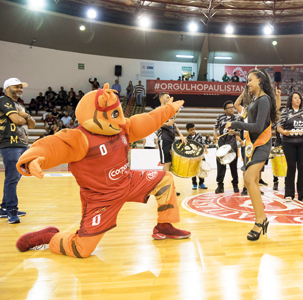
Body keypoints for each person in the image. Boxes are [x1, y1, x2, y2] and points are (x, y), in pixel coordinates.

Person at [15, 83, 190, 258]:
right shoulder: (79, 138)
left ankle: (165, 227)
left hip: (128, 182)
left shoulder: (122, 128)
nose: (120, 119)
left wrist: (167, 110)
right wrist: (33, 157)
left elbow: (149, 120)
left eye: (119, 112)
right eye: (115, 114)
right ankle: (49, 237)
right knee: (81, 249)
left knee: (165, 179)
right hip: (101, 198)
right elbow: (53, 146)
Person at [225, 69, 278, 241]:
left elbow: (258, 126)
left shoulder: (264, 99)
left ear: (260, 81)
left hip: (262, 144)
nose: (247, 83)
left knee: (249, 180)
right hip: (253, 145)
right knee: (251, 181)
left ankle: (260, 220)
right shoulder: (256, 99)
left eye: (250, 80)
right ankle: (261, 219)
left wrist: (234, 123)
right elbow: (242, 109)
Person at [0, 78, 36, 223]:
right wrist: (23, 117)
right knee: (12, 178)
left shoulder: (19, 105)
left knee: (14, 178)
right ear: (7, 88)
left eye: (21, 87)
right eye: (17, 86)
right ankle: (11, 211)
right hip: (10, 144)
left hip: (21, 144)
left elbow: (31, 124)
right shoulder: (4, 100)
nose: (20, 89)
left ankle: (3, 208)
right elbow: (17, 120)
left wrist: (26, 115)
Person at [278, 92, 303, 202]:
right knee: (291, 167)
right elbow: (279, 127)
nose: (297, 99)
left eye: (299, 98)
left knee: (302, 167)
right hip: (289, 143)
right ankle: (289, 194)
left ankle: (302, 194)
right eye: (295, 98)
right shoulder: (285, 112)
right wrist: (284, 132)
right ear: (290, 100)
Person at [157, 92, 187, 196]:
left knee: (169, 164)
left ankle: (165, 187)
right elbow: (155, 124)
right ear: (162, 100)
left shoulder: (170, 112)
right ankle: (167, 188)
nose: (170, 99)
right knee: (167, 163)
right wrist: (166, 124)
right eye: (167, 97)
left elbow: (174, 124)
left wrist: (181, 135)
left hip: (171, 139)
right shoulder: (159, 110)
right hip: (163, 139)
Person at [214, 100, 242, 194]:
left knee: (233, 166)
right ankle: (220, 185)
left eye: (232, 107)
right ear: (225, 109)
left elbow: (240, 131)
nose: (232, 109)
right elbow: (215, 126)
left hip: (232, 144)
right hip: (221, 143)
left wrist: (234, 133)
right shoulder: (220, 117)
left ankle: (235, 184)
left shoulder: (237, 118)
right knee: (220, 165)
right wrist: (215, 135)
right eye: (229, 107)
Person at [186, 123, 208, 190]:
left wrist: (206, 149)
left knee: (202, 169)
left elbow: (203, 143)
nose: (193, 131)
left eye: (194, 129)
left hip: (201, 156)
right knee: (193, 170)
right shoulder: (187, 138)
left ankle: (201, 183)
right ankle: (194, 184)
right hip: (193, 157)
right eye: (191, 130)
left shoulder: (199, 135)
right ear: (188, 131)